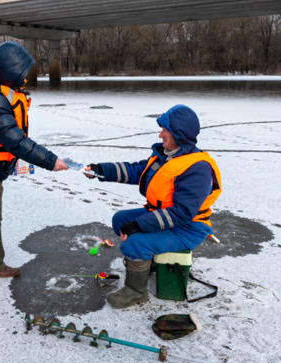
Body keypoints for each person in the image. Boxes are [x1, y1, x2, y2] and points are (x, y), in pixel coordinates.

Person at [84, 105, 222, 309]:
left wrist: (139, 226)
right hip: (164, 217)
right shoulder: (165, 156)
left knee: (135, 241)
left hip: (188, 228)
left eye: (165, 130)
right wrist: (101, 170)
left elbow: (182, 213)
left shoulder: (197, 168)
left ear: (179, 134)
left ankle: (136, 292)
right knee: (120, 220)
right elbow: (136, 171)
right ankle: (148, 264)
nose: (161, 134)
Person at [0, 41, 68, 277]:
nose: (25, 78)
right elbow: (14, 140)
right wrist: (50, 161)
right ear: (9, 71)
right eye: (22, 73)